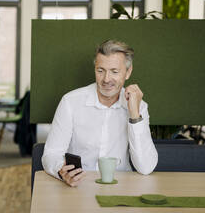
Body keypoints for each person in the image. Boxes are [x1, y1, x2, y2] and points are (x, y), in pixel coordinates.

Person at [41, 39, 158, 187]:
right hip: (79, 186)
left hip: (121, 187)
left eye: (114, 72)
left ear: (128, 72)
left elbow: (146, 167)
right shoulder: (70, 102)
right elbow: (51, 154)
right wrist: (62, 172)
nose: (106, 79)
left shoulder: (139, 107)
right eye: (100, 70)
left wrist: (135, 115)